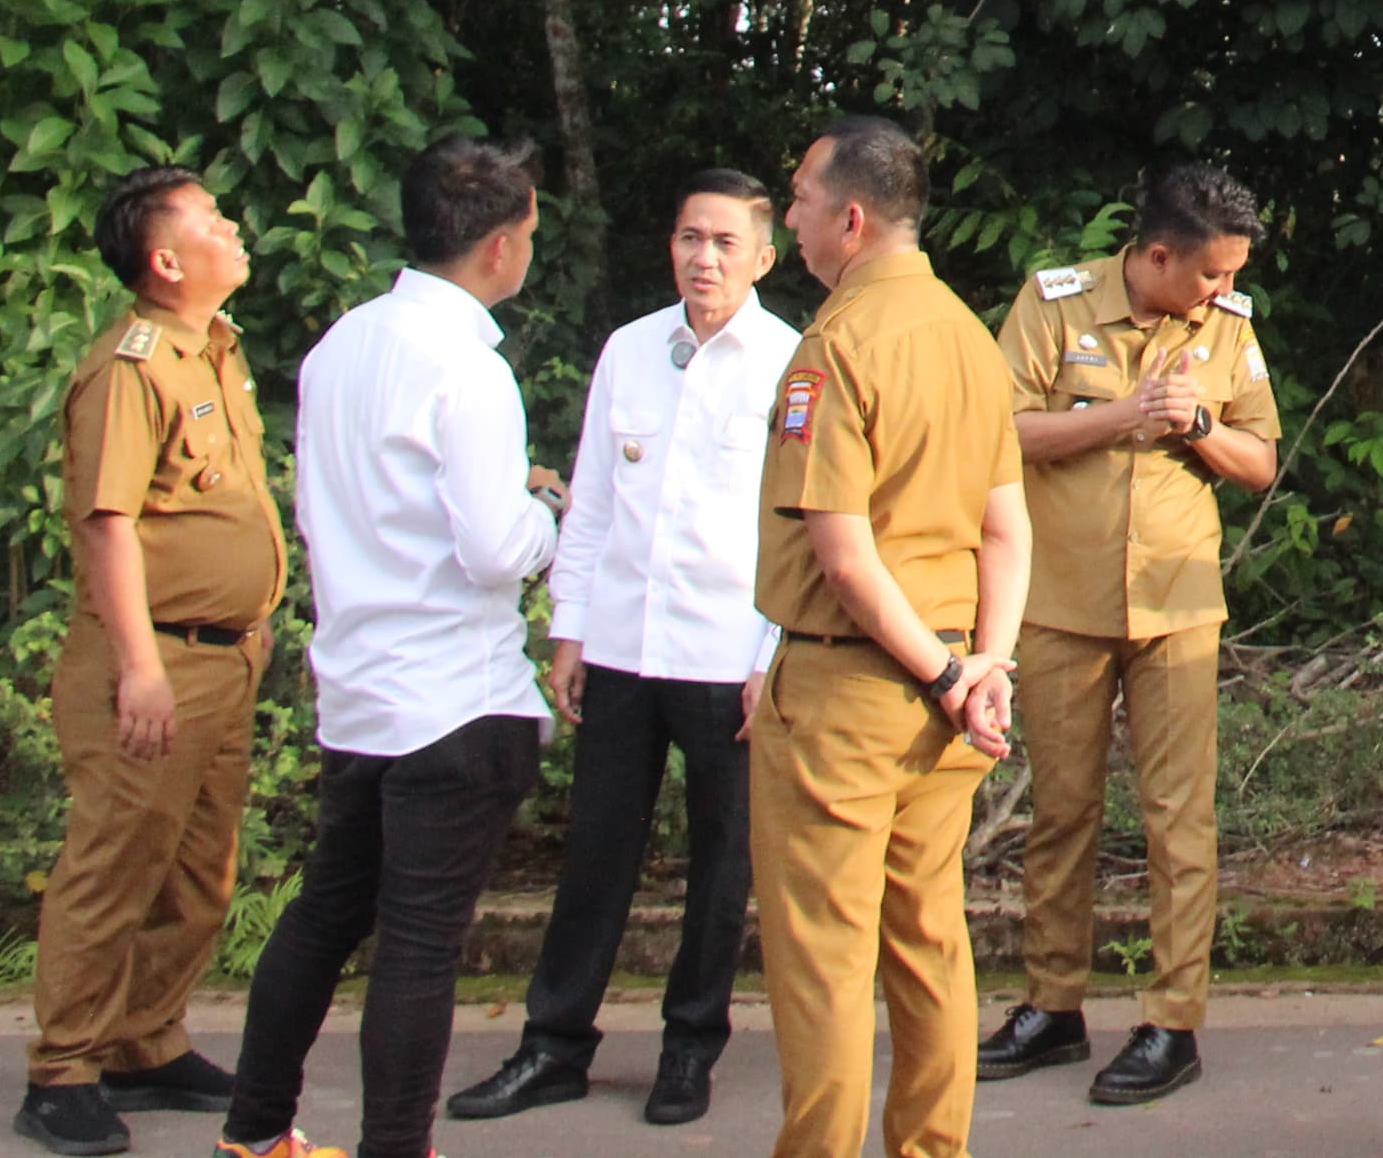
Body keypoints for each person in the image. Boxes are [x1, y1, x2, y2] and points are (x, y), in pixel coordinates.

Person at [219, 140, 564, 1158]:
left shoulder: (342, 346)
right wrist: (546, 507)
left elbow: (323, 502)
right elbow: (495, 548)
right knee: (418, 943)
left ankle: (252, 1134)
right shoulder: (468, 366)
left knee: (326, 912)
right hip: (455, 694)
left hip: (361, 683)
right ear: (502, 246)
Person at [448, 170, 801, 1129]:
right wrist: (569, 627)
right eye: (692, 237)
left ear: (764, 256)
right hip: (623, 645)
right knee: (596, 850)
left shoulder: (791, 361)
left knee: (721, 863)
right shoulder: (631, 349)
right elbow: (595, 499)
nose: (705, 257)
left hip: (730, 654)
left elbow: (799, 524)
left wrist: (774, 652)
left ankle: (690, 1047)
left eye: (728, 242)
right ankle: (553, 1043)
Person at [752, 116, 1031, 1158]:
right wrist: (983, 667)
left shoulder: (836, 345)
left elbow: (842, 554)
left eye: (797, 197)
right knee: (929, 942)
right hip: (948, 696)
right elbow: (1007, 523)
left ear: (850, 216)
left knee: (824, 958)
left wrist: (949, 668)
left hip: (852, 690)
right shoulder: (966, 332)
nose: (789, 217)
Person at [977, 164, 1283, 1106]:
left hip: (1177, 606)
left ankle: (1172, 1020)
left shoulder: (1228, 331)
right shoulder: (1053, 303)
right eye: (1210, 274)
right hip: (1062, 599)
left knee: (1180, 821)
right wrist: (1123, 415)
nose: (1224, 290)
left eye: (1232, 274)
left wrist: (1194, 424)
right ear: (1155, 255)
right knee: (1062, 814)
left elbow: (1260, 461)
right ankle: (1053, 1004)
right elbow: (997, 431)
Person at [16, 166, 286, 1158]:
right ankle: (63, 1068)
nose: (232, 227)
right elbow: (106, 522)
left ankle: (144, 1038)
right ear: (167, 260)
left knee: (199, 871)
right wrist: (138, 666)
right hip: (154, 657)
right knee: (113, 865)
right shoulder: (132, 365)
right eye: (212, 219)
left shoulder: (211, 352)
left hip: (223, 659)